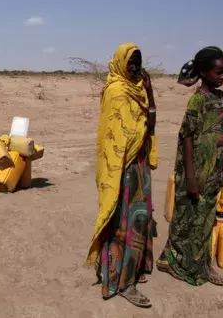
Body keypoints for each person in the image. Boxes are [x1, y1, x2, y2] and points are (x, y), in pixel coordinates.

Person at [86, 42, 158, 308]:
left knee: (139, 220)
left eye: (139, 61)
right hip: (121, 168)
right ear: (120, 62)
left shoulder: (140, 90)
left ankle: (131, 270)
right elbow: (114, 137)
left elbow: (149, 124)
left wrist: (150, 92)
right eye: (131, 61)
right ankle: (118, 280)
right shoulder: (115, 91)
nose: (136, 67)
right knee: (120, 222)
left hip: (138, 166)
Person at [156, 46, 223, 286]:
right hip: (195, 168)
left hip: (213, 168)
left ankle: (201, 264)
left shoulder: (220, 98)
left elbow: (219, 134)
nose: (222, 77)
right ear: (204, 72)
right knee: (186, 218)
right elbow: (187, 136)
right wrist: (189, 176)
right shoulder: (198, 99)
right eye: (218, 72)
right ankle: (172, 261)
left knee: (206, 219)